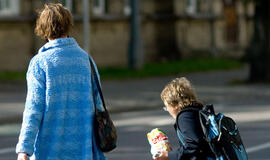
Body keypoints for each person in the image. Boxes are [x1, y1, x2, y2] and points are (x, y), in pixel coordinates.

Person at [16, 3, 106, 160]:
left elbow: (33, 109)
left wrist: (24, 150)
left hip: (49, 151)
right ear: (68, 25)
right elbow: (99, 107)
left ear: (42, 28)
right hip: (84, 151)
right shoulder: (86, 60)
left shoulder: (40, 63)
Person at [155, 77, 214, 160]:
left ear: (175, 105)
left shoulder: (185, 117)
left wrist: (169, 155)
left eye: (167, 106)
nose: (167, 109)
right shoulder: (197, 111)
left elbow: (193, 147)